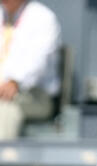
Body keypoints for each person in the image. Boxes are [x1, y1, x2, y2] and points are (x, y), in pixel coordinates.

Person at [0, 0, 61, 140]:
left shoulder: (43, 18)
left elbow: (38, 62)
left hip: (34, 96)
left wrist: (14, 81)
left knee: (5, 110)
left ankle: (4, 159)